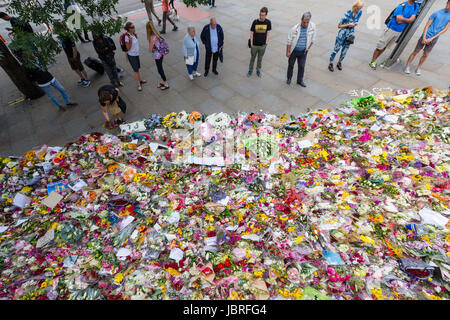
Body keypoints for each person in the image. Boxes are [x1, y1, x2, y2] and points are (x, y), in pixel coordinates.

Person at [369, 0, 419, 70]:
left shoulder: (416, 6)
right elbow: (398, 20)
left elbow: (411, 20)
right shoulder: (402, 6)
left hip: (399, 31)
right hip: (391, 29)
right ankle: (372, 61)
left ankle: (374, 60)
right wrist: (408, 20)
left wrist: (404, 19)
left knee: (385, 47)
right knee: (380, 46)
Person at [404, 0, 450, 75]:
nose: (448, 6)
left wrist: (432, 38)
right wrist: (424, 37)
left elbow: (445, 29)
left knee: (426, 54)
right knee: (416, 52)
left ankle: (419, 67)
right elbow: (427, 25)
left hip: (434, 38)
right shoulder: (436, 13)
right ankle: (407, 66)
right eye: (448, 4)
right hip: (425, 35)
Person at [328, 1, 364, 72]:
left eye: (361, 8)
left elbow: (356, 20)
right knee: (336, 49)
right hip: (342, 34)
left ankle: (339, 62)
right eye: (359, 8)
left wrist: (355, 23)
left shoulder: (360, 12)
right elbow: (339, 26)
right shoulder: (347, 14)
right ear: (355, 7)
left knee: (345, 51)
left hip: (350, 34)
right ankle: (331, 63)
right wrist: (348, 24)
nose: (359, 10)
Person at [286, 12, 316, 87]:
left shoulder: (313, 27)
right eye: (304, 22)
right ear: (301, 19)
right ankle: (289, 78)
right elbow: (289, 40)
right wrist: (288, 51)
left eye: (307, 22)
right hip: (294, 51)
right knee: (291, 65)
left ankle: (300, 80)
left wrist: (308, 48)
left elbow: (313, 39)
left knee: (302, 66)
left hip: (303, 52)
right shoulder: (294, 28)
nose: (305, 24)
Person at [247, 7, 271, 77]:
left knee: (260, 59)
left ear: (266, 15)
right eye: (260, 15)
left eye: (263, 15)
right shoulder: (255, 22)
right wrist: (251, 43)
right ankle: (250, 70)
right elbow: (251, 32)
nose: (261, 16)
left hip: (262, 45)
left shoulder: (268, 22)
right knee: (252, 58)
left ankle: (258, 70)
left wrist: (266, 43)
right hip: (254, 45)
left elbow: (268, 33)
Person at [123, 22, 147, 91]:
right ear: (128, 29)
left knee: (137, 68)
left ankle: (140, 80)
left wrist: (134, 36)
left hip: (136, 54)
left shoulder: (133, 34)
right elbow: (128, 48)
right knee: (135, 70)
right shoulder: (127, 37)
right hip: (132, 55)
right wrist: (130, 41)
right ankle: (139, 84)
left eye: (134, 26)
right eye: (132, 27)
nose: (134, 28)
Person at [146, 21, 169, 90]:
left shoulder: (152, 37)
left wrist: (151, 48)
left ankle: (165, 83)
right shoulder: (156, 34)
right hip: (161, 54)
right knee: (160, 68)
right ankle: (163, 81)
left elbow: (150, 49)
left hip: (157, 55)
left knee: (160, 69)